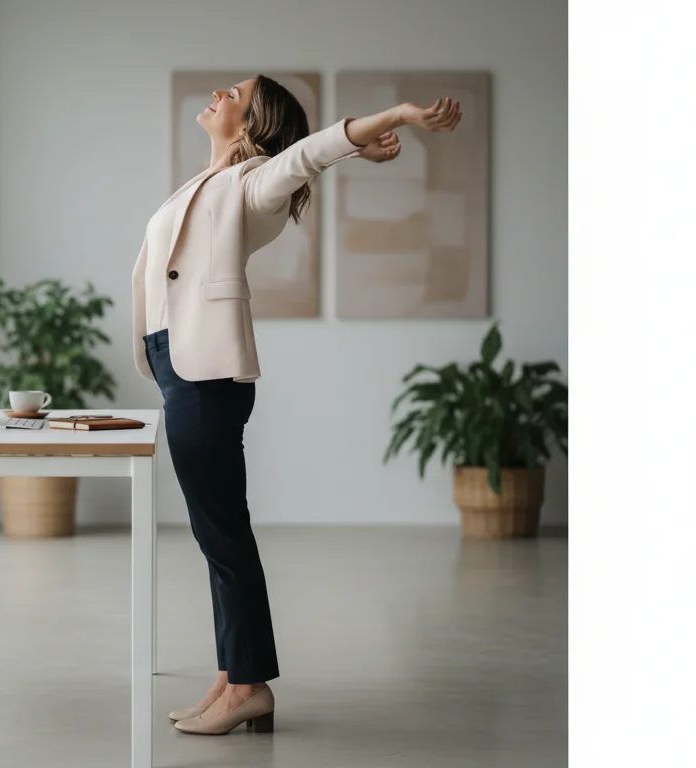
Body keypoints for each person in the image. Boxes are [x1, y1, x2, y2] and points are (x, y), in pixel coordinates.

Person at [130, 74, 463, 736]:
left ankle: (250, 686)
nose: (218, 94)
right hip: (177, 363)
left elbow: (306, 155)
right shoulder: (212, 182)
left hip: (204, 372)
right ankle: (233, 675)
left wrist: (391, 118)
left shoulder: (255, 181)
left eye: (234, 92)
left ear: (254, 123)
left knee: (223, 535)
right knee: (214, 534)